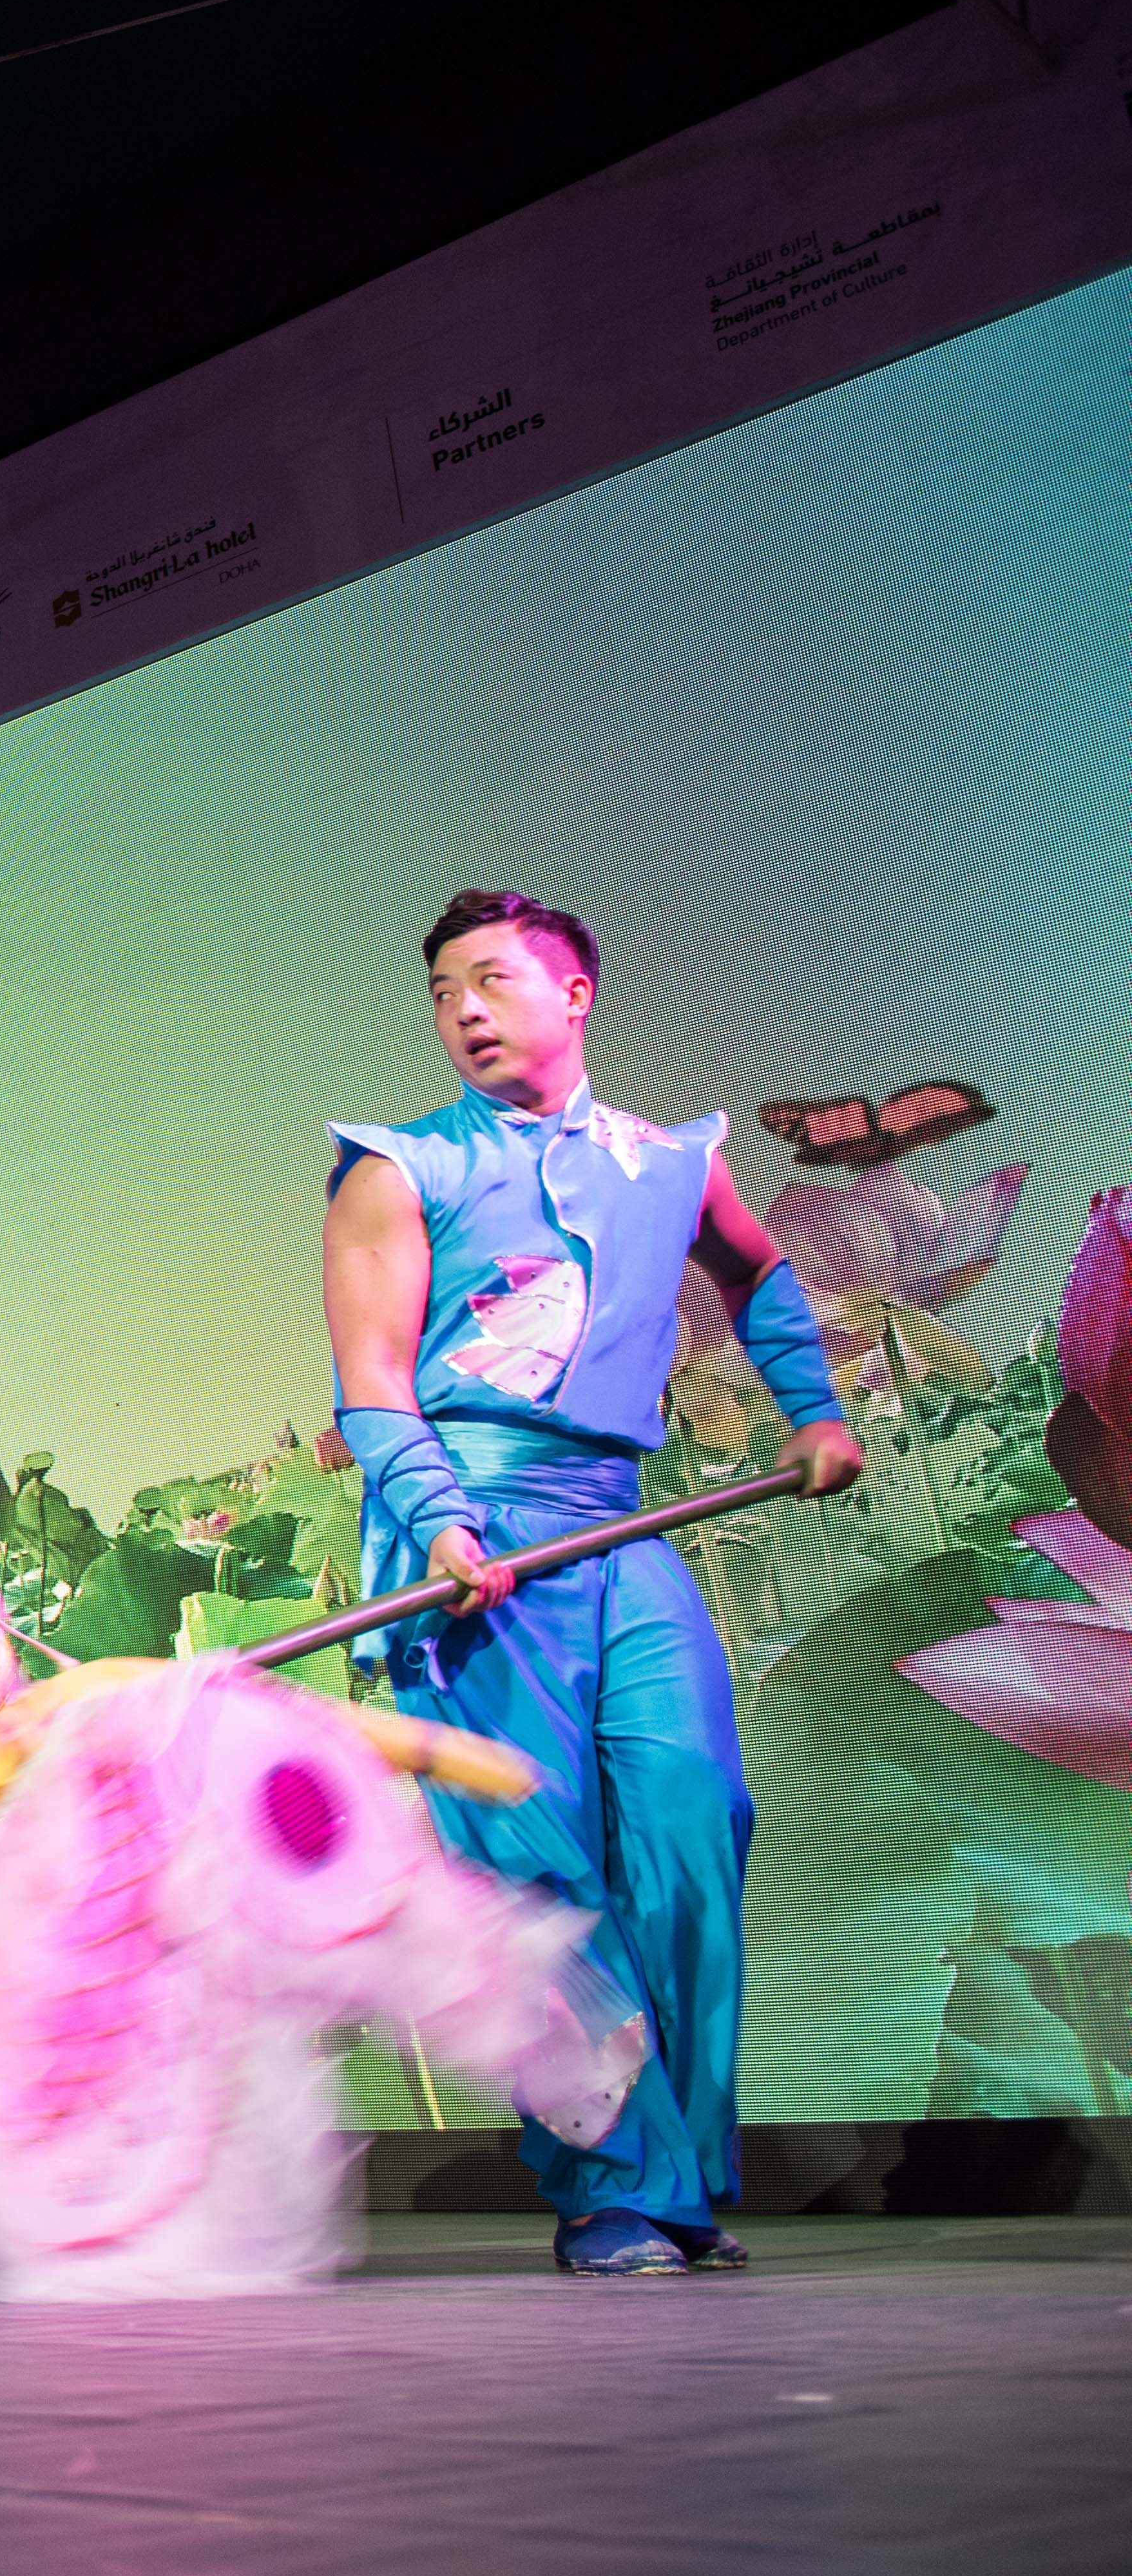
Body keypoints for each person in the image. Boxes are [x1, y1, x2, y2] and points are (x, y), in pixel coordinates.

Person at [323, 890, 859, 2278]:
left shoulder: (667, 1159)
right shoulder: (396, 1167)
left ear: (574, 995)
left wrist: (808, 1404)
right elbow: (373, 1382)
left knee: (693, 1812)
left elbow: (759, 1273)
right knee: (534, 1865)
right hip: (472, 1540)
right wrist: (440, 1521)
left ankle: (672, 2166)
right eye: (442, 988)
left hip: (613, 1530)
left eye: (492, 979)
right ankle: (614, 2181)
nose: (463, 1008)